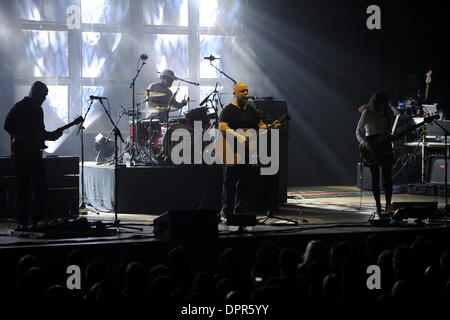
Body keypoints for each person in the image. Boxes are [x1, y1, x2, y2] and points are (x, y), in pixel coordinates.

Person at [4, 81, 63, 230]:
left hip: (34, 154)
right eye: (43, 96)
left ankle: (36, 221)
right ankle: (23, 222)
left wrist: (52, 136)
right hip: (22, 155)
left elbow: (40, 133)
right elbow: (7, 125)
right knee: (23, 189)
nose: (44, 99)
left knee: (40, 187)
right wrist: (25, 139)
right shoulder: (20, 107)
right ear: (35, 93)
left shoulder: (38, 110)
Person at [218, 82, 280, 220]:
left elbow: (261, 127)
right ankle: (226, 211)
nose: (245, 93)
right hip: (230, 149)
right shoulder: (228, 110)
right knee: (229, 182)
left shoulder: (252, 110)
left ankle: (239, 209)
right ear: (235, 94)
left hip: (246, 152)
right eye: (242, 91)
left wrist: (270, 127)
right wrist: (238, 135)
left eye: (246, 90)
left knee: (244, 181)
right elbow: (222, 127)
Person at [356, 91, 395, 215]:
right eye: (381, 103)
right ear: (376, 102)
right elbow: (358, 131)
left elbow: (388, 131)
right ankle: (378, 206)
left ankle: (388, 205)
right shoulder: (367, 113)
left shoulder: (386, 114)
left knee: (388, 179)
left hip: (386, 147)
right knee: (375, 179)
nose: (383, 106)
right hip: (372, 148)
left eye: (385, 103)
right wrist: (365, 144)